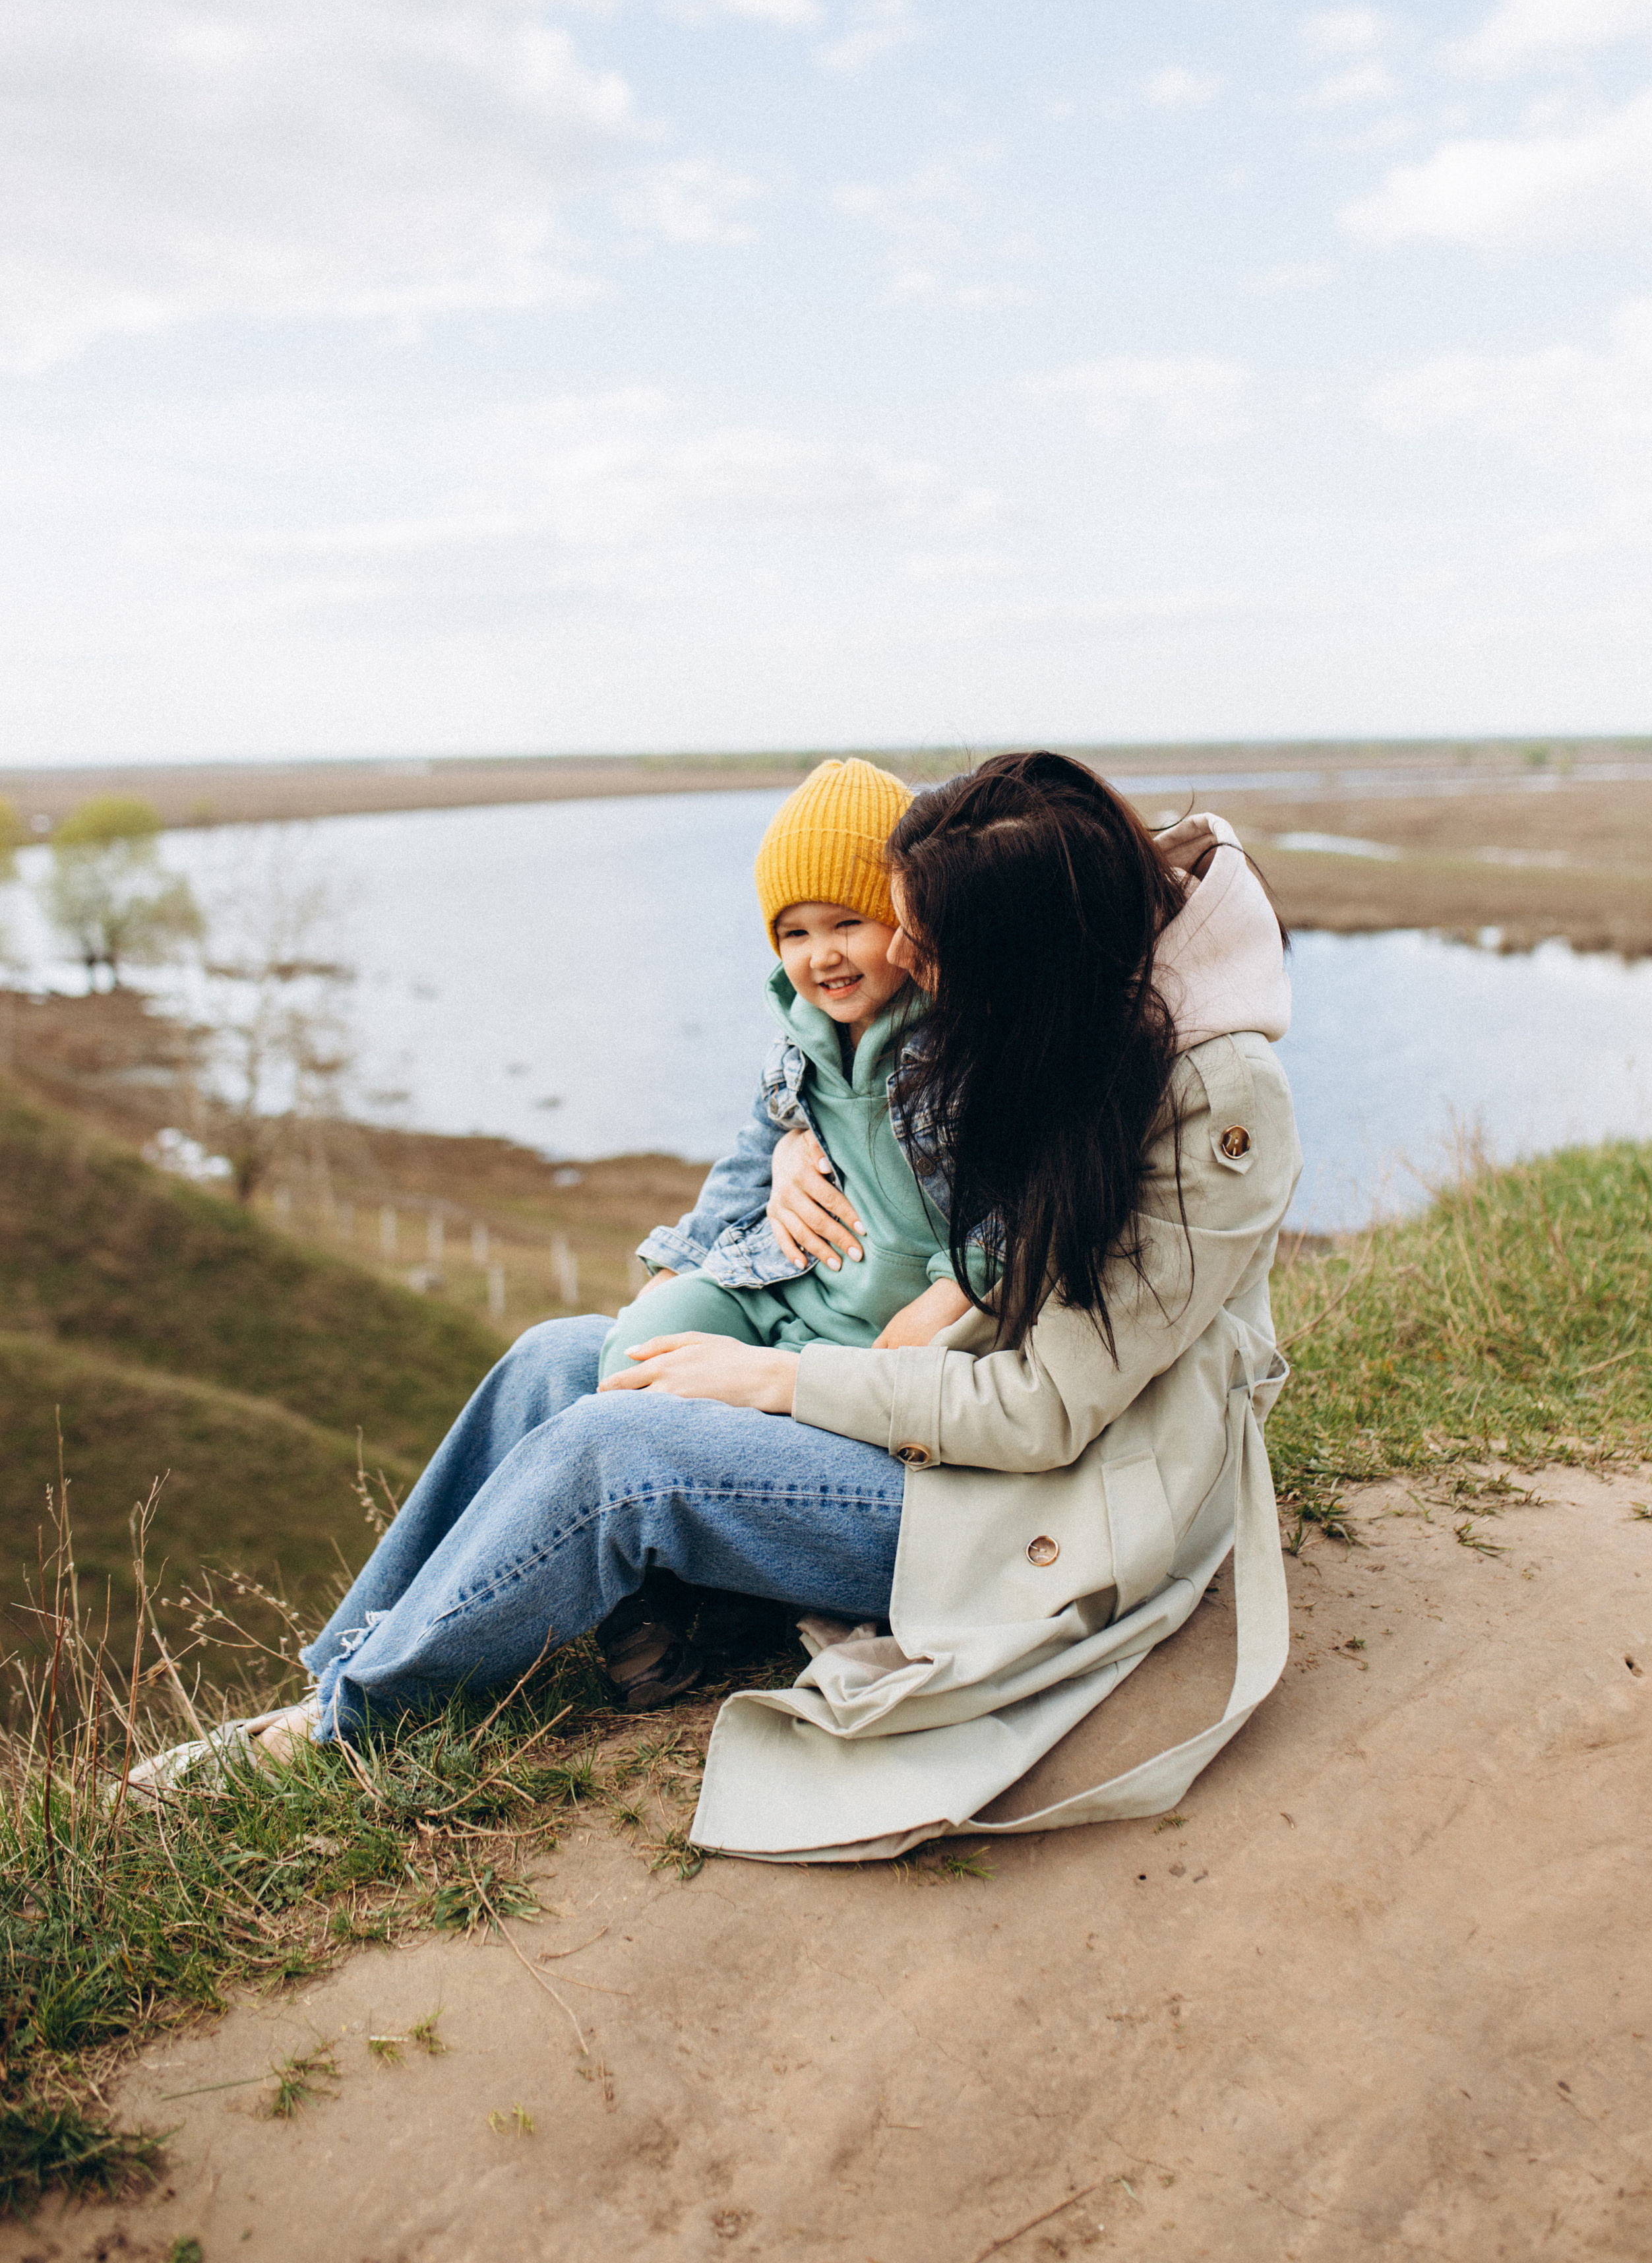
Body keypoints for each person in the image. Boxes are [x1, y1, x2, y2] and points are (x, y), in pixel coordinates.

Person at [267, 753, 1297, 1865]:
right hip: (924, 1402)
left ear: (1019, 961)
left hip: (1043, 1498)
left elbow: (1048, 1410)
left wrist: (776, 1382)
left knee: (625, 1452)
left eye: (927, 949)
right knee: (557, 1360)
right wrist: (788, 1168)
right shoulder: (1063, 996)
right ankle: (327, 1679)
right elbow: (893, 1144)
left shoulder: (1213, 1103)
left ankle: (347, 1724)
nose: (902, 965)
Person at [599, 755, 986, 1394]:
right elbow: (751, 1159)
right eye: (794, 933)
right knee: (638, 1348)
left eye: (847, 923)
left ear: (905, 920)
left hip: (896, 1319)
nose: (822, 954)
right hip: (793, 1284)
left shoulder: (958, 1044)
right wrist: (681, 1263)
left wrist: (950, 1293)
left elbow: (1017, 1200)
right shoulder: (796, 1045)